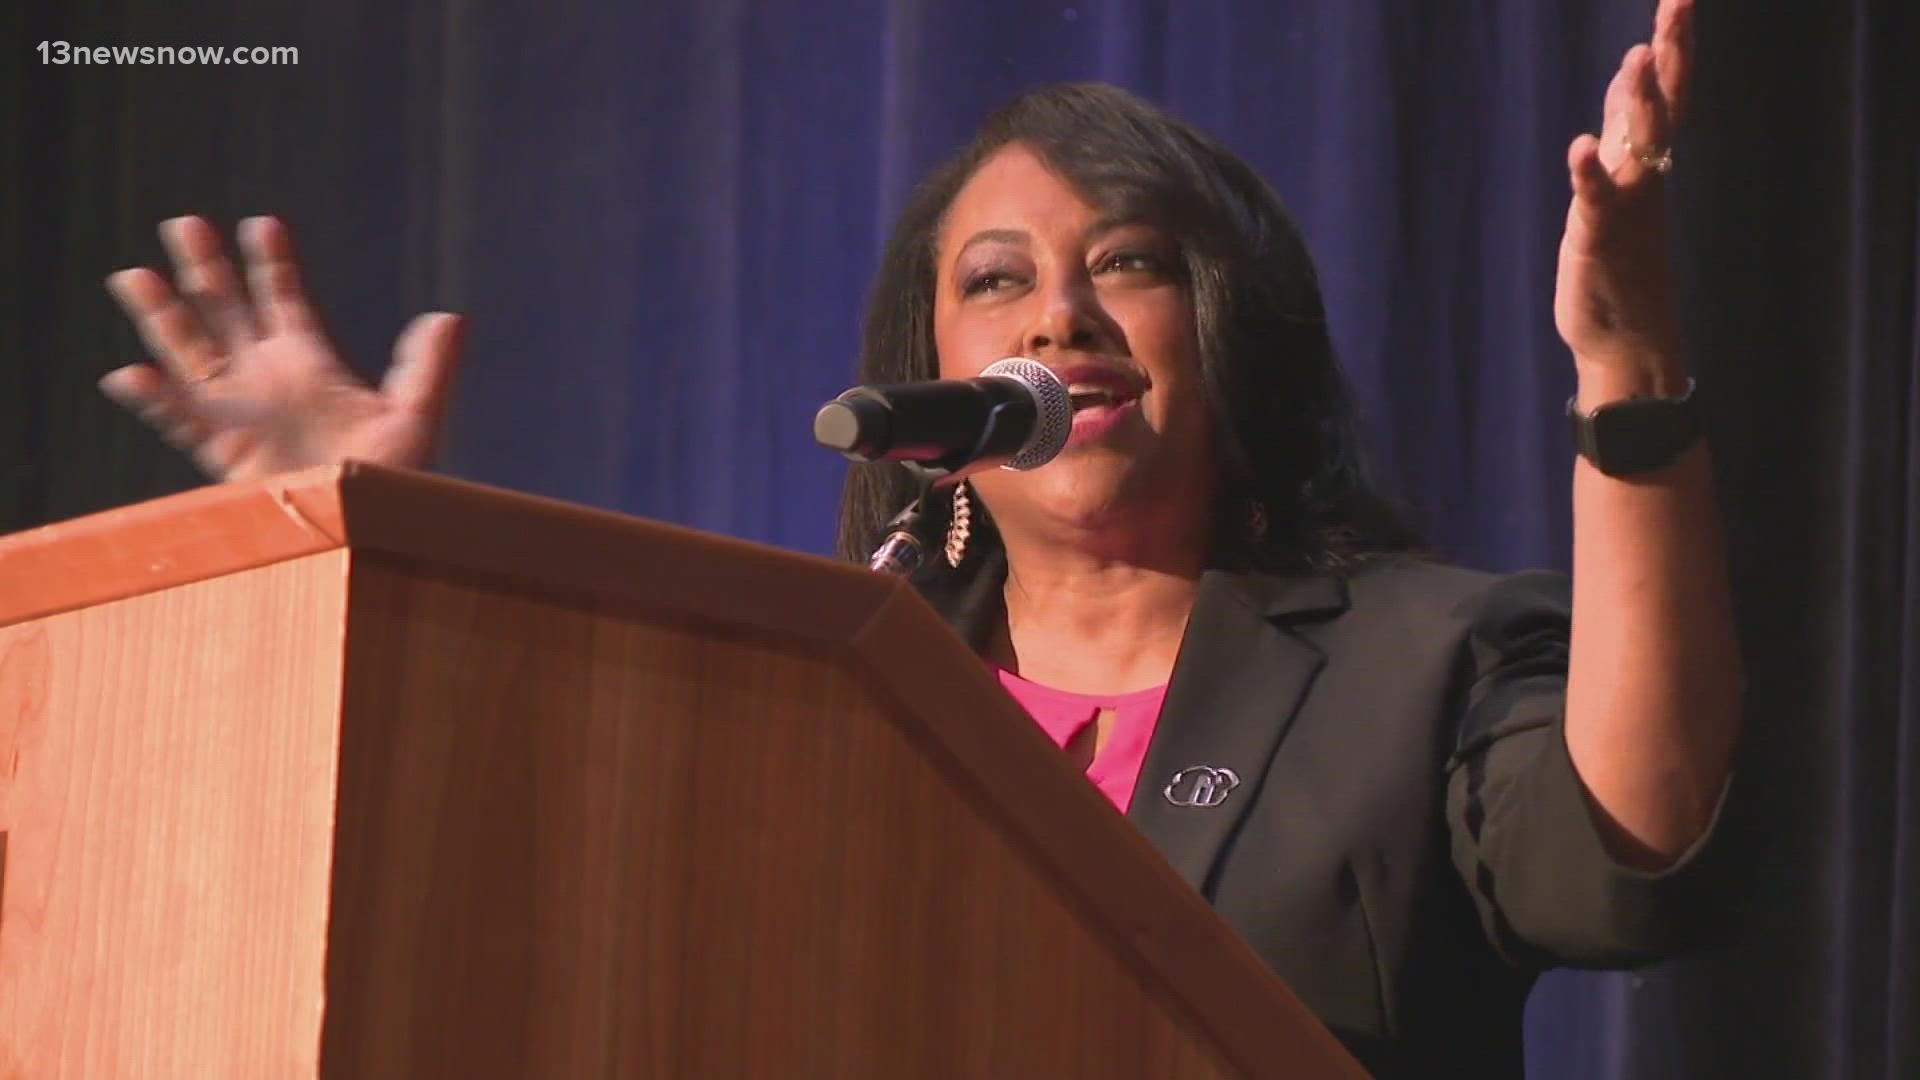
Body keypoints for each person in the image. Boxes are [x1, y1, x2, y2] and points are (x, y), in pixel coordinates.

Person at [96, 0, 1739, 1074]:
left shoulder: (1416, 660)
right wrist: (346, 538)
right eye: (1000, 280)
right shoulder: (829, 706)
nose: (1065, 318)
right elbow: (519, 914)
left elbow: (1628, 855)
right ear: (936, 376)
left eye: (1134, 266)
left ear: (1229, 335)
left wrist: (1629, 384)